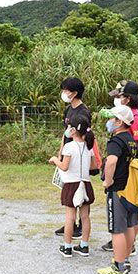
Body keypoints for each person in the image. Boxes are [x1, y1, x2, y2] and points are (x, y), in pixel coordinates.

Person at [101, 80, 138, 254]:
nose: (117, 99)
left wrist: (136, 167)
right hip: (127, 180)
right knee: (129, 219)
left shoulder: (133, 119)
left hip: (122, 182)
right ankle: (126, 252)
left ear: (128, 99)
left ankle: (122, 258)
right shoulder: (129, 118)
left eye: (120, 96)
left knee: (120, 226)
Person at [97, 105, 138, 274]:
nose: (109, 121)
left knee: (116, 229)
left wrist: (108, 181)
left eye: (112, 118)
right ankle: (125, 259)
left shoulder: (116, 141)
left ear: (119, 121)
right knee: (128, 226)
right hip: (130, 189)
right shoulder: (131, 140)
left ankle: (118, 266)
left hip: (118, 190)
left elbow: (112, 162)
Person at [49, 115, 96, 258]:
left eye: (70, 127)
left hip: (71, 185)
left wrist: (55, 160)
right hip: (86, 184)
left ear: (74, 130)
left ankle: (67, 247)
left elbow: (64, 166)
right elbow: (93, 167)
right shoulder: (89, 148)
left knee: (70, 217)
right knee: (85, 217)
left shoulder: (69, 147)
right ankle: (84, 246)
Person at [55, 77, 92, 239]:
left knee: (78, 187)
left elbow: (87, 135)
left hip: (78, 154)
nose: (63, 93)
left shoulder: (84, 111)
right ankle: (72, 224)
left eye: (66, 90)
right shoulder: (68, 110)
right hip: (68, 151)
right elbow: (65, 133)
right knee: (68, 187)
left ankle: (77, 225)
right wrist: (61, 151)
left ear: (75, 93)